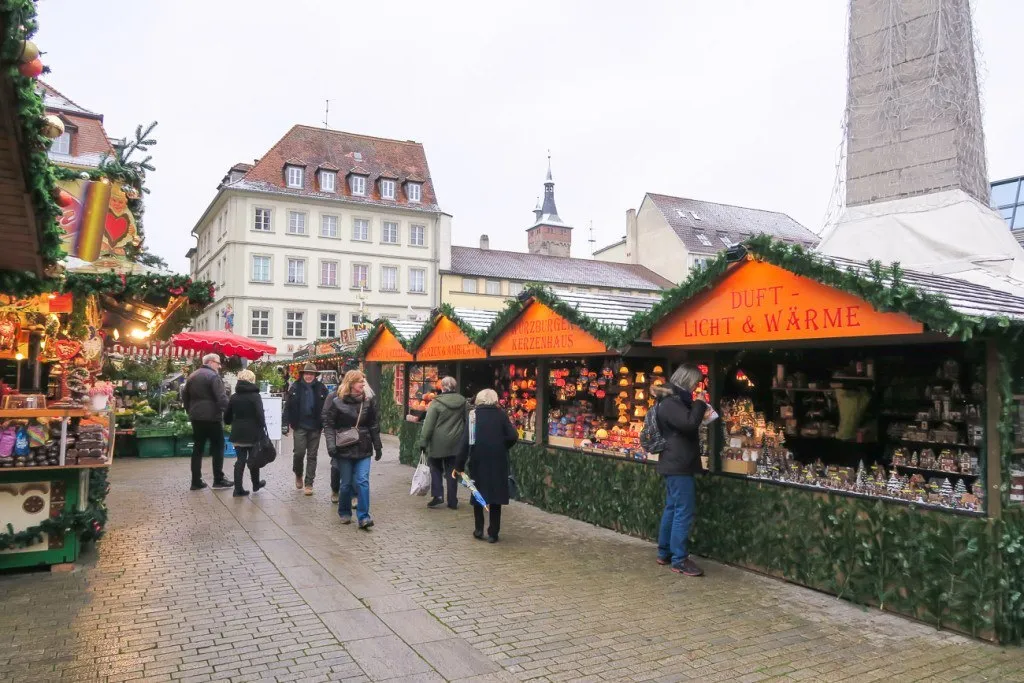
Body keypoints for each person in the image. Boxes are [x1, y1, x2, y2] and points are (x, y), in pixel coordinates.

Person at [652, 364, 708, 577]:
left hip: (674, 461)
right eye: (695, 382)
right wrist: (700, 404)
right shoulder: (672, 402)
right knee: (683, 510)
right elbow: (689, 423)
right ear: (687, 380)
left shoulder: (671, 399)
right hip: (679, 463)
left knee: (673, 508)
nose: (696, 386)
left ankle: (665, 552)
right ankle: (679, 559)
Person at [454, 389, 517, 543]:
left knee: (478, 493)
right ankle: (493, 533)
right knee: (495, 496)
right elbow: (513, 436)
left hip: (478, 458)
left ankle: (479, 529)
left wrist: (459, 465)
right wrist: (502, 446)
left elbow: (465, 442)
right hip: (498, 459)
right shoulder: (501, 415)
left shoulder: (473, 415)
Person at [322, 370, 382, 529]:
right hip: (344, 447)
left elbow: (373, 425)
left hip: (364, 447)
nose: (363, 384)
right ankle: (344, 512)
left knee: (362, 481)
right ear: (351, 383)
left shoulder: (368, 402)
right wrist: (331, 445)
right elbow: (329, 425)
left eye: (363, 381)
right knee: (346, 483)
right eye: (360, 381)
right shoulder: (337, 402)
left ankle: (364, 517)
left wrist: (378, 446)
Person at [183, 353, 232, 491]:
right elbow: (221, 398)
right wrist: (229, 413)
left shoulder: (192, 376)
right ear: (210, 362)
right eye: (218, 363)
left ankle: (195, 481)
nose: (219, 366)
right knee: (218, 447)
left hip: (196, 417)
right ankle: (218, 479)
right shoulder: (213, 376)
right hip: (212, 417)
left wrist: (190, 410)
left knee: (198, 448)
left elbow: (184, 396)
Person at [417, 376, 466, 509]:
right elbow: (466, 420)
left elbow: (428, 425)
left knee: (435, 467)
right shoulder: (462, 402)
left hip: (438, 441)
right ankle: (452, 500)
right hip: (456, 441)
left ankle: (438, 495)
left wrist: (423, 442)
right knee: (452, 470)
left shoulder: (436, 403)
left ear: (442, 387)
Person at [286, 363, 329, 496]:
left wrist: (326, 424)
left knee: (312, 456)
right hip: (299, 425)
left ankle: (309, 483)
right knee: (299, 453)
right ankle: (298, 473)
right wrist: (285, 424)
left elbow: (327, 408)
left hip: (315, 426)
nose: (309, 376)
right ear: (303, 374)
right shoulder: (295, 387)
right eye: (307, 374)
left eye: (311, 374)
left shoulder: (321, 388)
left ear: (315, 375)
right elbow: (288, 407)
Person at [224, 369, 268, 497]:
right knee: (254, 459)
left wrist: (232, 421)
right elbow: (260, 415)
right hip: (253, 434)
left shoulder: (234, 397)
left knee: (240, 460)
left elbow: (227, 417)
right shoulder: (255, 396)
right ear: (252, 380)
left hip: (238, 433)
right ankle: (256, 484)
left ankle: (238, 489)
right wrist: (263, 429)